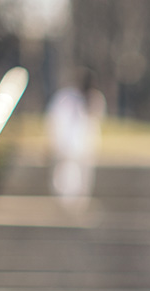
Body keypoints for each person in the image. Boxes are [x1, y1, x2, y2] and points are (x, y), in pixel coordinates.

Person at [45, 68, 105, 212]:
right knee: (64, 178)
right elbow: (56, 119)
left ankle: (79, 207)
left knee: (83, 180)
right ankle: (63, 207)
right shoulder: (66, 97)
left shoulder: (94, 98)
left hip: (85, 147)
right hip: (66, 145)